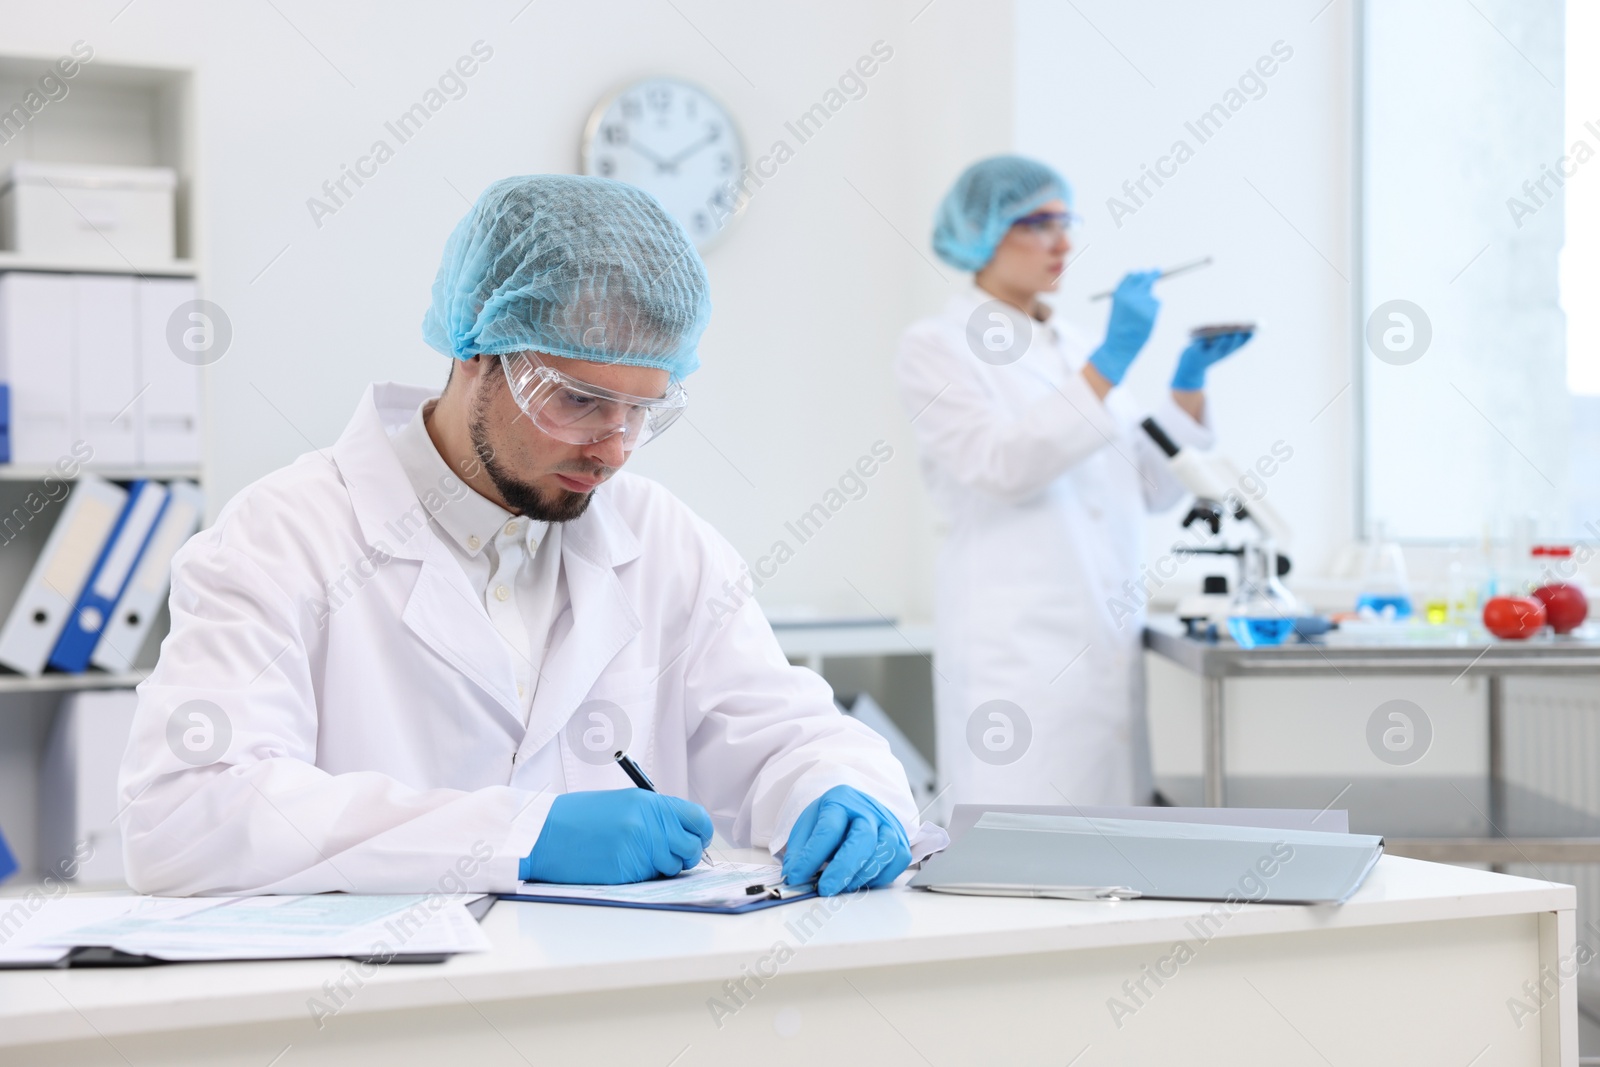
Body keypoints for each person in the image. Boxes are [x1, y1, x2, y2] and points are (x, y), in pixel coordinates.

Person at [119, 174, 943, 898]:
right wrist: (518, 835)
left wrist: (842, 785)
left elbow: (784, 734)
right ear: (475, 350)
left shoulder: (662, 540)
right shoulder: (284, 535)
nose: (614, 449)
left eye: (642, 411)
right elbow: (185, 813)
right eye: (580, 400)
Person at [895, 155, 1252, 808]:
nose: (1063, 242)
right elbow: (1001, 464)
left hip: (1103, 653)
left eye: (1067, 222)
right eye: (1038, 223)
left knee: (1113, 872)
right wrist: (1109, 364)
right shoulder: (936, 345)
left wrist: (1186, 388)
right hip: (1018, 660)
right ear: (981, 231)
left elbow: (1148, 485)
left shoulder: (1079, 345)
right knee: (1016, 873)